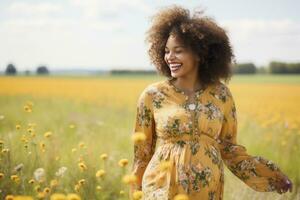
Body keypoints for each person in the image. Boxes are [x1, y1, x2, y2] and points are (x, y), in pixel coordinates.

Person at [131, 5, 292, 200]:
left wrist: (272, 176)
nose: (170, 57)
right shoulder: (152, 95)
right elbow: (142, 153)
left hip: (207, 191)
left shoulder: (221, 95)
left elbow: (230, 150)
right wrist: (135, 193)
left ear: (199, 54)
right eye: (166, 51)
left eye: (178, 51)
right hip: (161, 188)